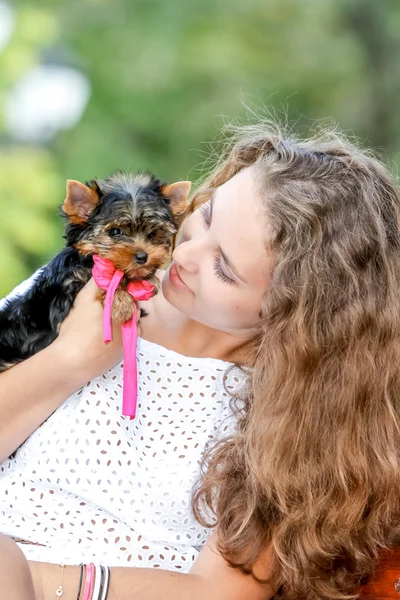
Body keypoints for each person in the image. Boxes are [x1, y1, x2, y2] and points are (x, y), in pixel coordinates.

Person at [1, 120, 400, 600]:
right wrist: (67, 360)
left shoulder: (305, 415)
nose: (185, 254)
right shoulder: (86, 289)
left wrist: (30, 577)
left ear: (292, 314)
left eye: (224, 269)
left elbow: (219, 592)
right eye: (207, 216)